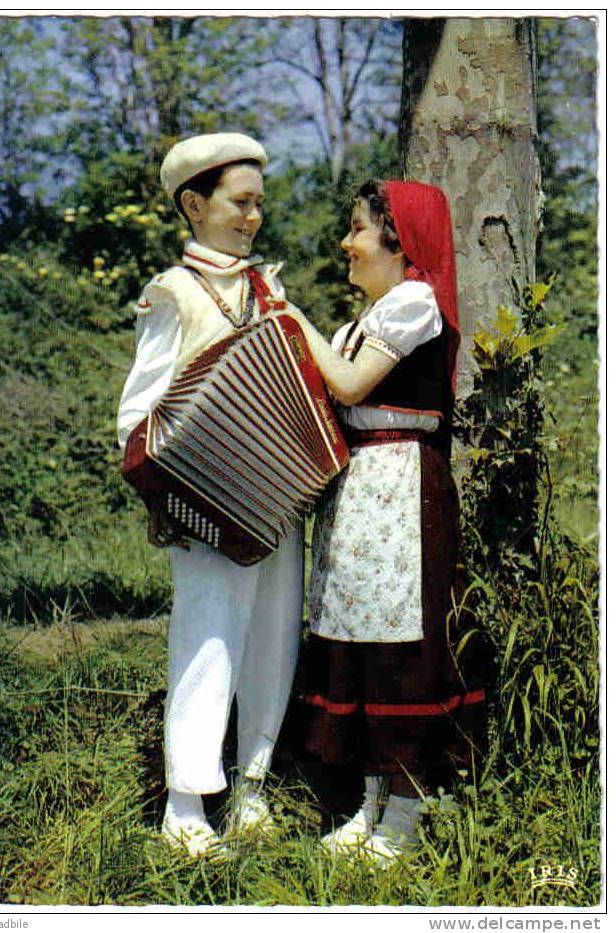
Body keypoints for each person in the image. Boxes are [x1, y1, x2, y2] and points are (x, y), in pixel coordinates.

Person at [281, 180, 486, 865]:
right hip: (360, 489)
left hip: (403, 488)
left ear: (398, 244)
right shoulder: (360, 322)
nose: (347, 242)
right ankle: (370, 797)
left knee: (402, 643)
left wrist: (287, 314)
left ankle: (410, 801)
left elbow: (347, 385)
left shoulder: (414, 304)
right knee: (358, 638)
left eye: (359, 229)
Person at [117, 133, 303, 856]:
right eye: (239, 201)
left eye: (259, 203)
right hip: (203, 500)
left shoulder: (269, 288)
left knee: (272, 631)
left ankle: (252, 785)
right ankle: (186, 805)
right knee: (208, 635)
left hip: (279, 490)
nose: (254, 216)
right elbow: (139, 411)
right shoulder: (174, 290)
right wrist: (161, 497)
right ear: (195, 204)